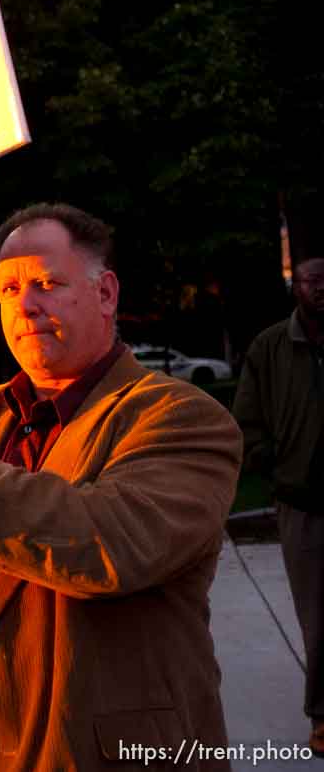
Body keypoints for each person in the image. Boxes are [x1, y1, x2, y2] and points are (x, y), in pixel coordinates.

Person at [0, 202, 242, 772]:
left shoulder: (182, 418)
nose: (26, 304)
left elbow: (110, 543)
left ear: (106, 294)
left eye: (46, 283)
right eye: (9, 289)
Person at [234, 256, 324, 757]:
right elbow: (246, 421)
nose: (321, 289)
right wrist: (278, 466)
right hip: (304, 504)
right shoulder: (270, 347)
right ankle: (323, 716)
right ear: (296, 287)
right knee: (319, 619)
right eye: (313, 280)